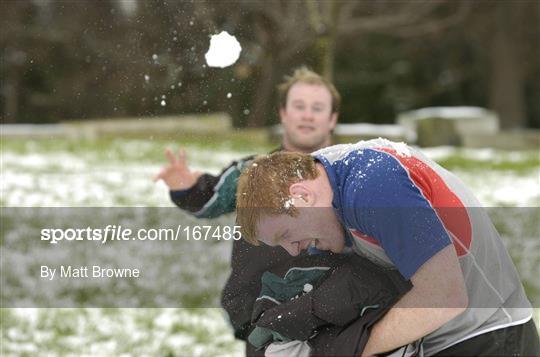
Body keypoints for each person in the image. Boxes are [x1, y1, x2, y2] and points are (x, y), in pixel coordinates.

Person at [236, 138, 540, 356]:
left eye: (287, 235)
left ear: (301, 196)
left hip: (487, 336)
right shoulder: (325, 174)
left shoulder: (373, 187)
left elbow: (445, 297)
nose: (293, 249)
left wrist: (349, 348)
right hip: (441, 336)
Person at [154, 67, 341, 350]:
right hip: (261, 312)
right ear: (283, 114)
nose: (307, 114)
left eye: (317, 108)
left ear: (332, 119)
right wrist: (187, 188)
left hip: (333, 314)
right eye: (299, 106)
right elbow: (211, 199)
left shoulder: (344, 174)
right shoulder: (252, 172)